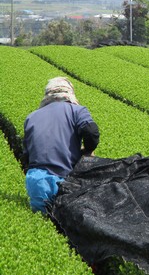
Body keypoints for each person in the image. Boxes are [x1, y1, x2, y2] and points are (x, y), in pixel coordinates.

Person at [22, 77, 100, 214]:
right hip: (65, 181)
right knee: (68, 227)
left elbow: (26, 155)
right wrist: (87, 152)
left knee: (43, 225)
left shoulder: (31, 117)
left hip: (37, 182)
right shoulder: (77, 111)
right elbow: (91, 132)